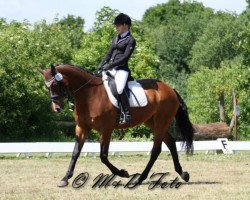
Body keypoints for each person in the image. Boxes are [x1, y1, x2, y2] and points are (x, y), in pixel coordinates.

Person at [98, 13, 136, 124]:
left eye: (118, 25)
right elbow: (108, 54)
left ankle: (126, 113)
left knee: (119, 88)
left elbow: (125, 58)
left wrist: (110, 65)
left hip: (121, 70)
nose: (116, 28)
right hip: (111, 68)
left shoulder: (131, 40)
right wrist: (100, 66)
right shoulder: (115, 38)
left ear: (125, 25)